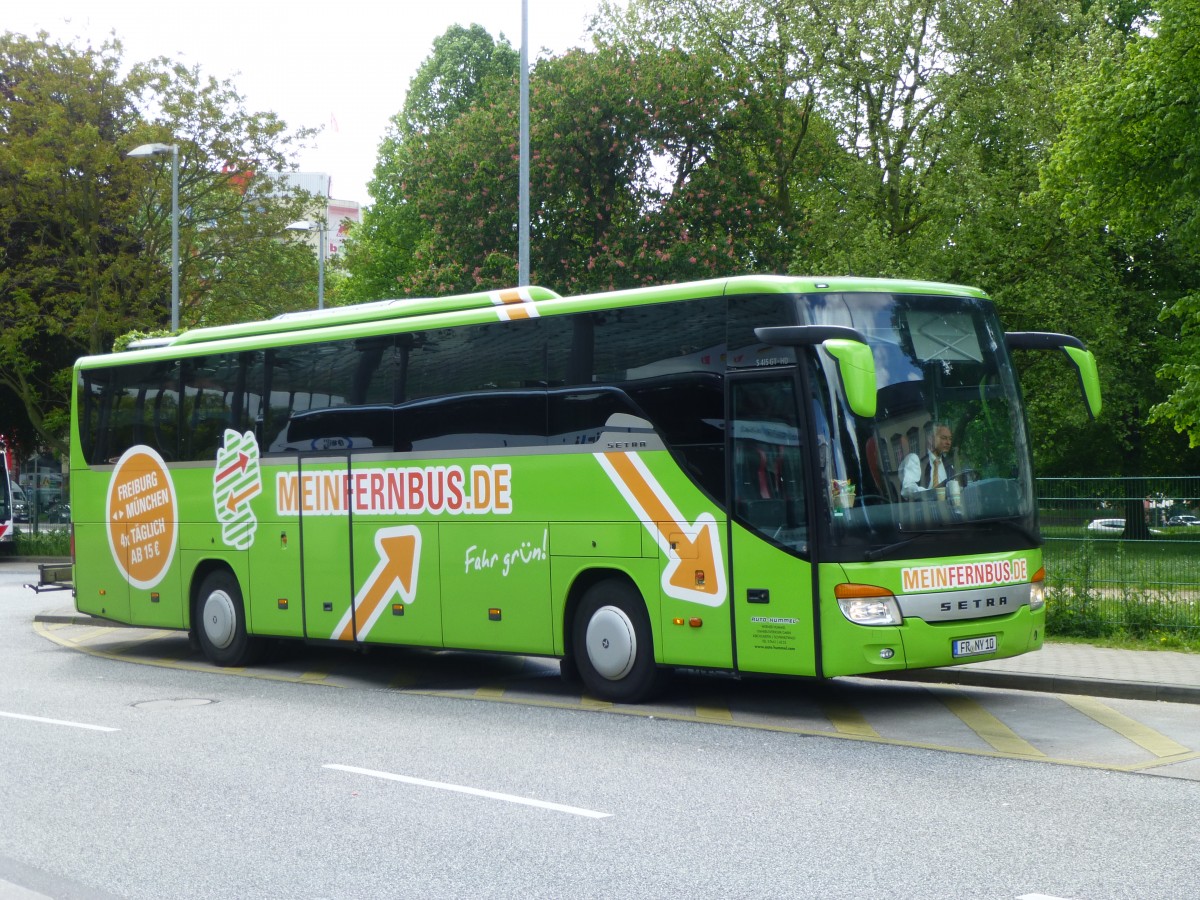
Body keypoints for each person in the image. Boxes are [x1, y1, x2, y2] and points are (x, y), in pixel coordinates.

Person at [900, 422, 955, 500]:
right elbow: (906, 489)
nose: (948, 442)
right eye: (943, 438)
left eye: (950, 439)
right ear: (930, 439)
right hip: (923, 511)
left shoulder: (949, 466)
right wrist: (931, 493)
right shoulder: (916, 460)